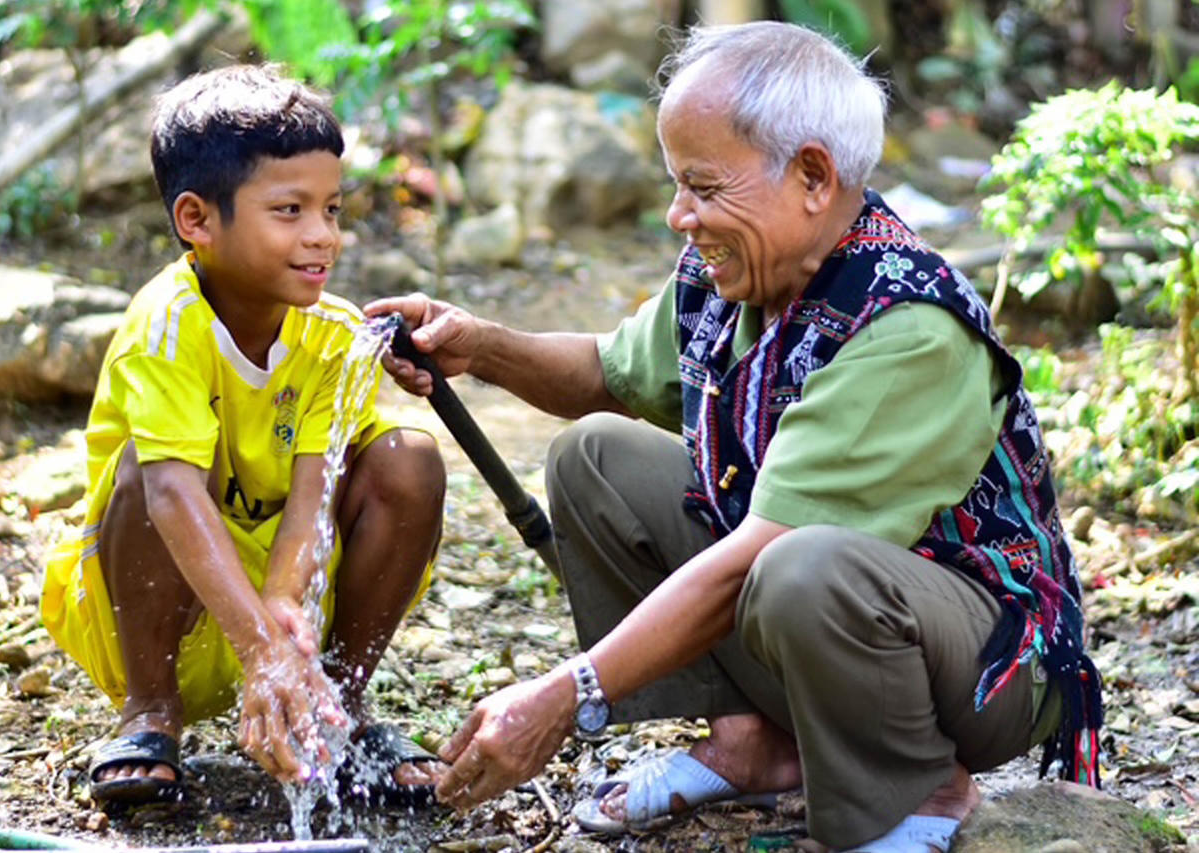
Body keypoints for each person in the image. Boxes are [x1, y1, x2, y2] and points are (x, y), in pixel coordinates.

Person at [368, 21, 1102, 853]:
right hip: (840, 609)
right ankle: (753, 742)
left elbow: (762, 555)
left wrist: (564, 697)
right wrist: (481, 348)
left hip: (989, 664)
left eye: (704, 187)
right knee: (595, 458)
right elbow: (606, 375)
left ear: (813, 177)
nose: (681, 215)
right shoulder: (740, 277)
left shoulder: (908, 325)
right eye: (677, 184)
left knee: (799, 563)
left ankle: (921, 788)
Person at [40, 64, 446, 809]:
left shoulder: (332, 334)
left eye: (332, 208)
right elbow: (167, 492)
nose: (323, 235)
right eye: (289, 210)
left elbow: (315, 490)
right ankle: (150, 713)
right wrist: (257, 647)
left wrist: (283, 632)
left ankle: (336, 709)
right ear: (197, 220)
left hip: (276, 608)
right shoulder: (166, 326)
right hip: (160, 609)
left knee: (407, 457)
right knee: (148, 470)